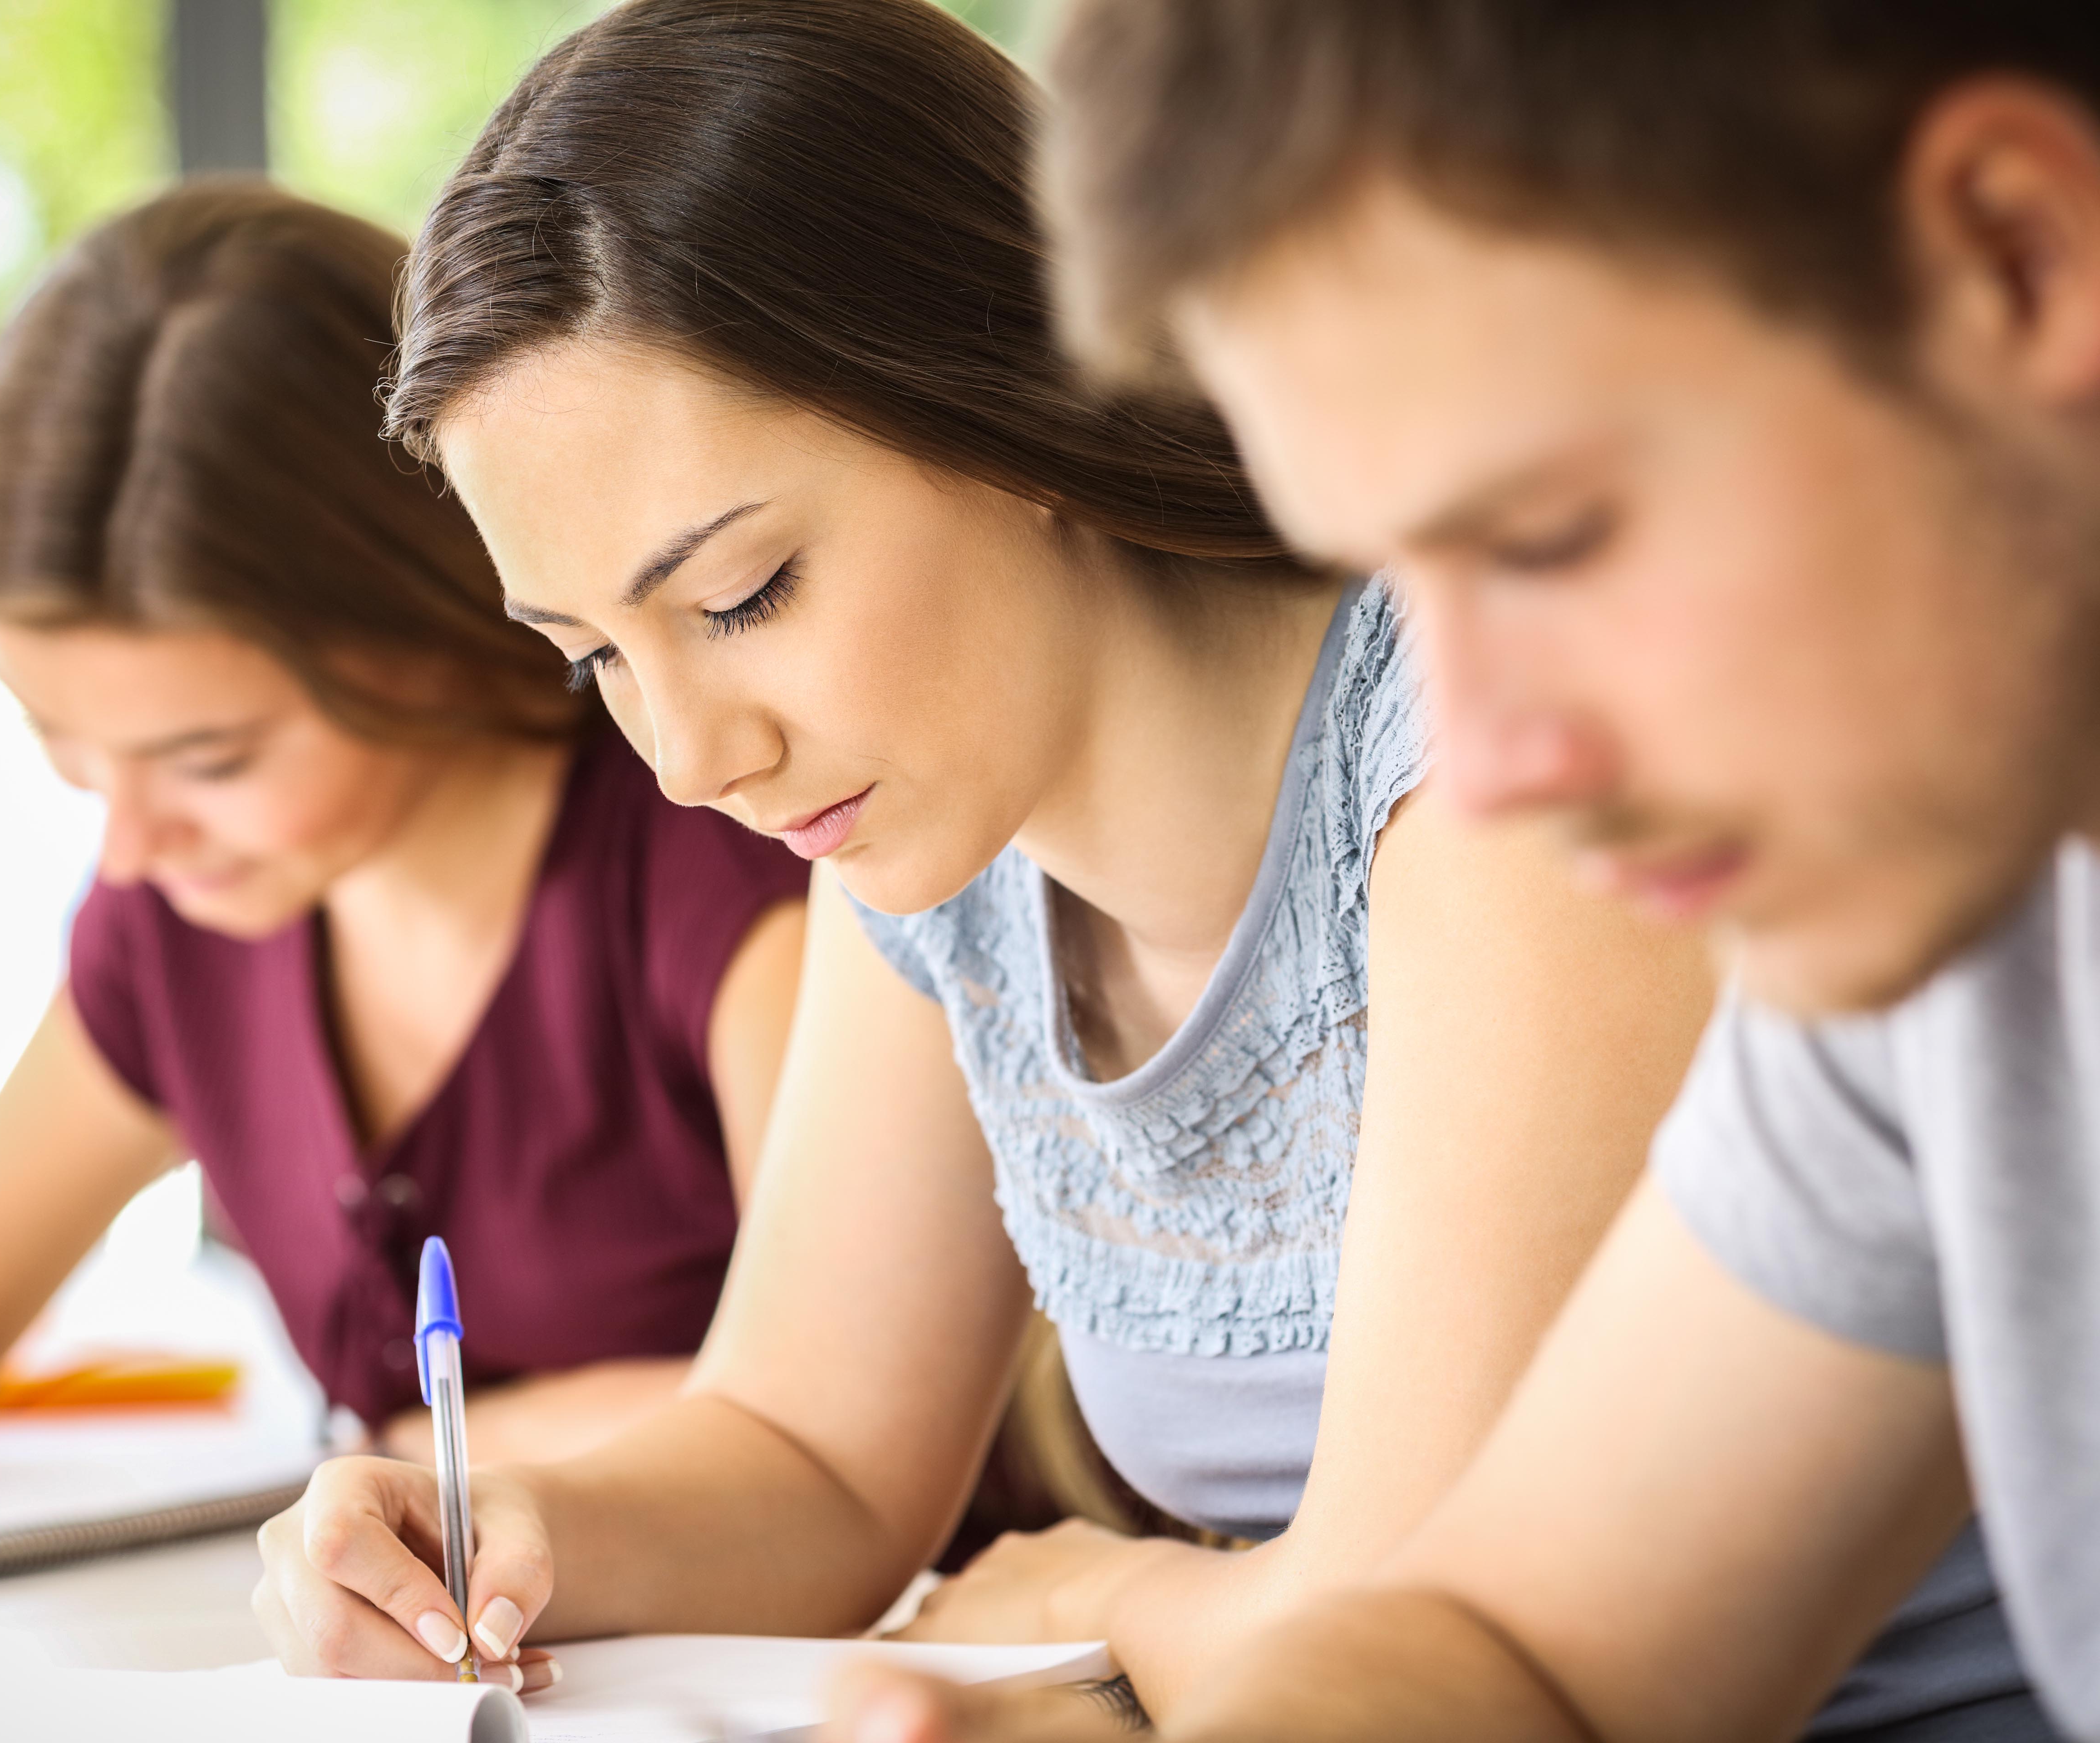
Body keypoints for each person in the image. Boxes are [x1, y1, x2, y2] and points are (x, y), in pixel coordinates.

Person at [242, 0, 1757, 1718]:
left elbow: (1424, 1632)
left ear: (1007, 398)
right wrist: (504, 1529)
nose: (689, 762)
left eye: (744, 597)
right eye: (595, 655)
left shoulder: (1486, 760)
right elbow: (814, 1455)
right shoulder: (924, 838)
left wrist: (1097, 1589)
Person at [822, 4, 2100, 1741]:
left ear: (2017, 258)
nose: (1489, 760)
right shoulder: (1950, 938)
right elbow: (1532, 1653)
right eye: (1403, 585)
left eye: (1549, 540)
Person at [0, 182, 811, 1523]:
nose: (127, 845)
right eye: (62, 742)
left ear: (432, 614)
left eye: (210, 762)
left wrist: (408, 1462)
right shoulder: (185, 919)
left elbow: (841, 1409)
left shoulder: (729, 863)